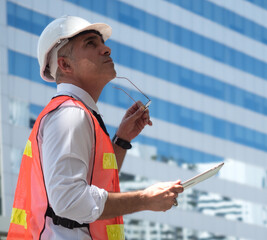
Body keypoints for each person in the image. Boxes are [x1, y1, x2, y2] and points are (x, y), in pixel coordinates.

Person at [7, 16, 183, 240]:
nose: (107, 49)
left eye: (102, 43)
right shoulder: (71, 114)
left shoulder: (77, 113)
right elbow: (69, 201)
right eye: (91, 43)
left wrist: (121, 140)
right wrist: (145, 199)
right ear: (65, 64)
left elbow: (94, 184)